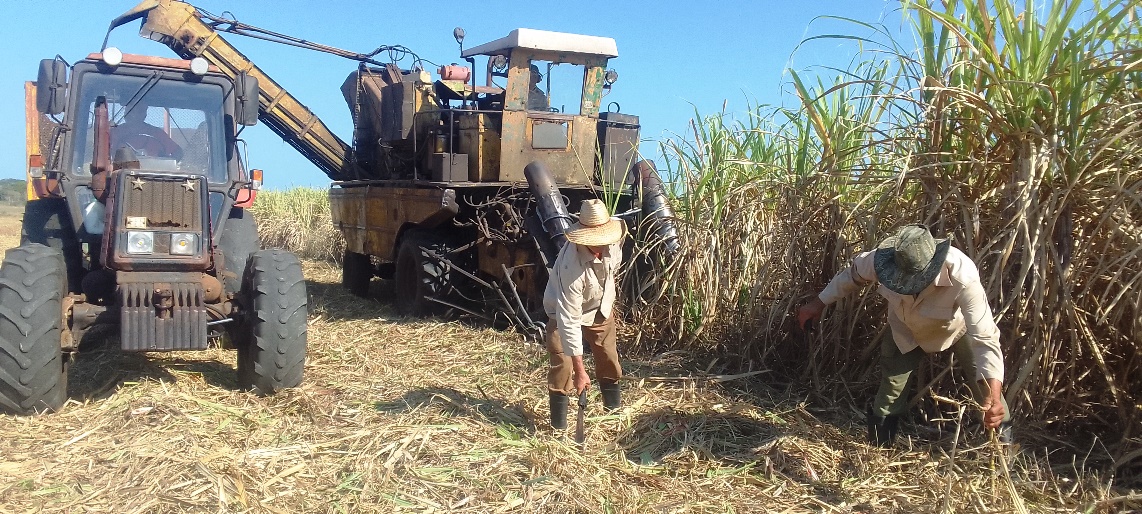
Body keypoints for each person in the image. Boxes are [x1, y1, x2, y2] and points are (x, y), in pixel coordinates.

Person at [797, 224, 1012, 447]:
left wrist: (994, 396)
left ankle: (1004, 452)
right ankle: (878, 450)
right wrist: (817, 304)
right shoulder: (881, 260)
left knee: (987, 392)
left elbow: (985, 338)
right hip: (905, 329)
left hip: (956, 329)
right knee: (892, 387)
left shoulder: (961, 275)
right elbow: (852, 274)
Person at [543, 199, 626, 430]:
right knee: (563, 366)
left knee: (609, 357)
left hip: (600, 306)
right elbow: (568, 319)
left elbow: (614, 265)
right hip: (563, 313)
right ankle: (558, 427)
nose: (602, 245)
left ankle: (613, 414)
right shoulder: (572, 267)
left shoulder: (615, 238)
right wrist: (581, 372)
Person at [111, 104, 183, 160]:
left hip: (152, 175)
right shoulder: (115, 132)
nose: (133, 114)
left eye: (138, 111)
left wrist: (167, 165)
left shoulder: (156, 133)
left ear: (144, 114)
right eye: (130, 110)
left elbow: (178, 152)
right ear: (125, 113)